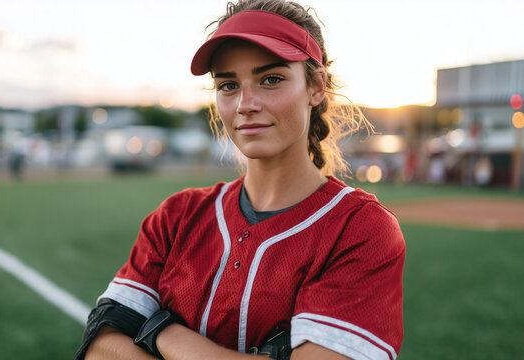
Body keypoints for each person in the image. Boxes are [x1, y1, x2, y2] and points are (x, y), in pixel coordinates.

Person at [76, 0, 405, 359]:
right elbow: (101, 347)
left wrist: (162, 332)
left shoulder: (360, 229)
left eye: (271, 79)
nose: (245, 103)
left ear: (316, 87)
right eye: (228, 85)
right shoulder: (176, 216)